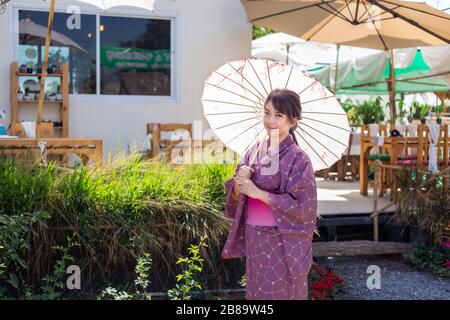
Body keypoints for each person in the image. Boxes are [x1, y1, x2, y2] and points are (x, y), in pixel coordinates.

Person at [221, 88, 317, 300]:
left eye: (278, 115)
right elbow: (237, 199)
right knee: (256, 293)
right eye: (267, 112)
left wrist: (258, 192)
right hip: (255, 235)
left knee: (280, 292)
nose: (270, 120)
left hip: (280, 238)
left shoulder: (299, 158)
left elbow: (303, 208)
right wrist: (239, 184)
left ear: (293, 121)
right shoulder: (254, 150)